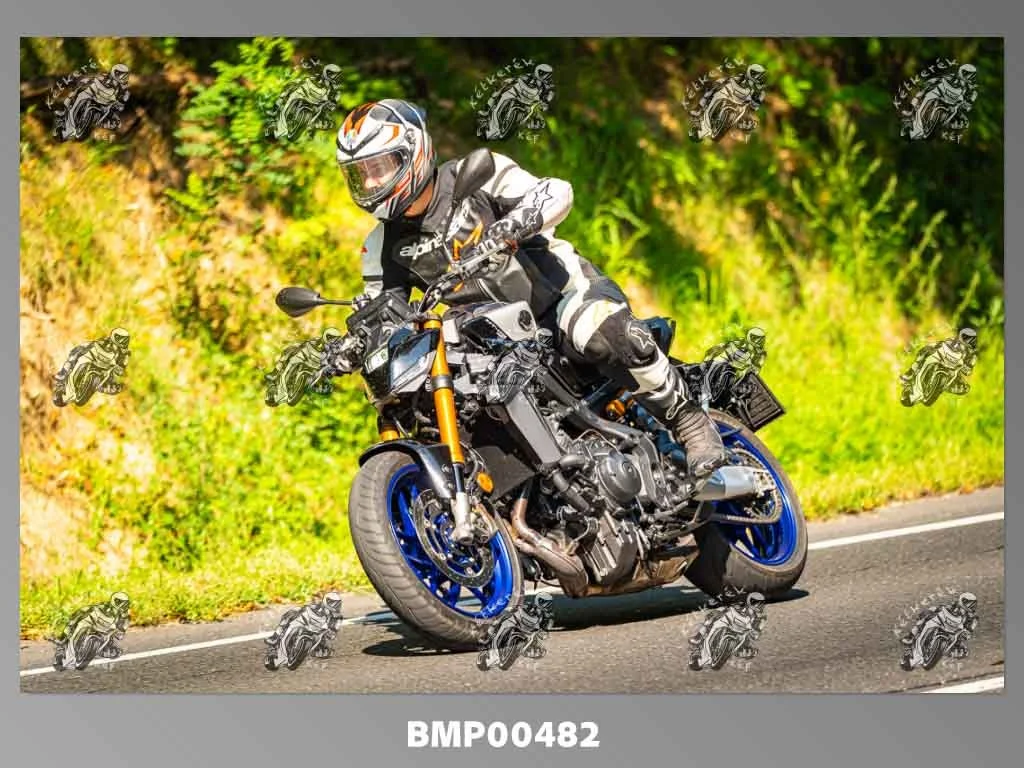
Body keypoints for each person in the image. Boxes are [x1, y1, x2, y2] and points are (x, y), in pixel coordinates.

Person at [332, 98, 727, 480]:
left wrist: (515, 223)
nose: (371, 182)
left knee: (598, 332)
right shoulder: (379, 247)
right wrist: (354, 344)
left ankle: (691, 423)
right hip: (490, 342)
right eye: (360, 174)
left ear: (414, 152)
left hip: (558, 298)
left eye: (379, 167)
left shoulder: (475, 175)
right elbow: (383, 312)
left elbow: (555, 191)